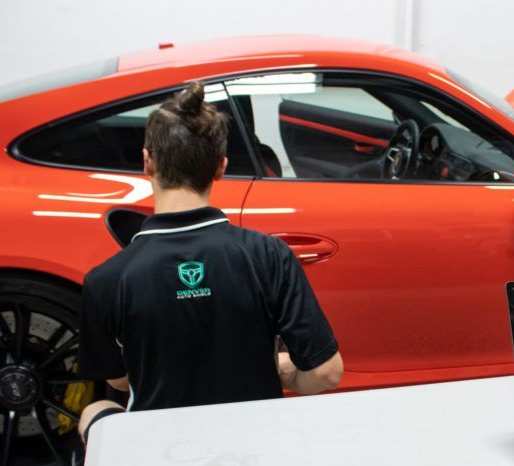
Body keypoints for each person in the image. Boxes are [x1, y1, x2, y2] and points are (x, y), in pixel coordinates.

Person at [77, 81, 342, 441]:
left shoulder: (106, 280)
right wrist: (283, 373)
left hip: (161, 449)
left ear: (147, 163)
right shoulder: (268, 256)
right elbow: (327, 372)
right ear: (220, 168)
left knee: (95, 410)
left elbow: (120, 379)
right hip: (254, 443)